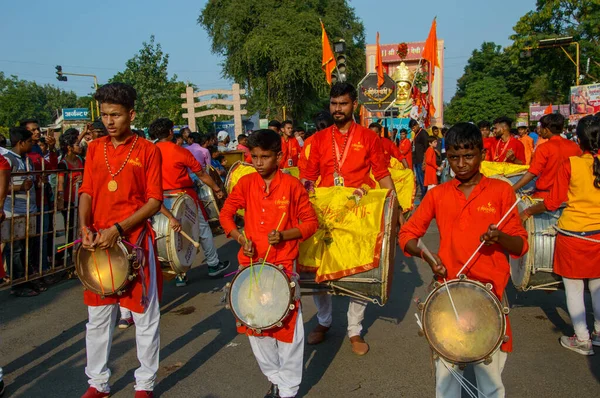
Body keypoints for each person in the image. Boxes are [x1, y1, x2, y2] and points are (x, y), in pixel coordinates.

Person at [399, 122, 528, 398]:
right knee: (446, 379)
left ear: (482, 154)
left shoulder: (501, 191)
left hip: (490, 296)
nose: (461, 164)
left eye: (468, 155)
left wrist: (500, 237)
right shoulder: (438, 194)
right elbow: (407, 235)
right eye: (454, 157)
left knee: (490, 380)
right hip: (449, 297)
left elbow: (520, 245)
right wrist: (427, 256)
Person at [300, 82, 401, 356]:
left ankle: (354, 330)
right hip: (326, 212)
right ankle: (324, 321)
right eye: (333, 104)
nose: (337, 109)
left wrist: (395, 209)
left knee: (359, 267)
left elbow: (381, 174)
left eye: (343, 104)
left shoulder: (369, 138)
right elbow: (308, 177)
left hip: (358, 210)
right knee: (315, 270)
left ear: (353, 105)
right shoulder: (319, 139)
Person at [78, 83, 163, 398]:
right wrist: (84, 227)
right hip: (99, 243)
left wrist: (119, 227)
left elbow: (154, 201)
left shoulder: (148, 150)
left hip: (135, 243)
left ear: (131, 114)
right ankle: (97, 382)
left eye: (115, 114)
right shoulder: (94, 148)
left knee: (144, 316)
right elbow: (86, 191)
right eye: (104, 115)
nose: (109, 121)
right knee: (98, 318)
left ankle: (144, 383)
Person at [220, 129, 319, 398]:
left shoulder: (292, 186)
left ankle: (288, 388)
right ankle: (274, 378)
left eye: (265, 157)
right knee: (256, 326)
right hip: (251, 266)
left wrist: (285, 235)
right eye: (254, 157)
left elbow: (311, 223)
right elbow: (226, 215)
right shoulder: (246, 184)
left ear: (279, 156)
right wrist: (240, 237)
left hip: (283, 265)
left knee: (287, 328)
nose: (259, 162)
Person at [520, 115, 600, 355]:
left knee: (574, 288)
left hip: (573, 235)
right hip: (598, 235)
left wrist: (528, 212)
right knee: (597, 286)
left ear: (580, 139)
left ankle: (582, 339)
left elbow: (554, 201)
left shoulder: (573, 164)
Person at [149, 117, 229, 286]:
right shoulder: (180, 151)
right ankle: (213, 264)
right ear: (170, 132)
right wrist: (216, 188)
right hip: (184, 198)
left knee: (172, 237)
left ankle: (180, 274)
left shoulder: (149, 151)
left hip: (160, 201)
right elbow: (201, 174)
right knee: (202, 229)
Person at [2, 127, 42, 297]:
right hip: (14, 212)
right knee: (16, 249)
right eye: (30, 142)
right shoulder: (8, 160)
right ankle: (18, 284)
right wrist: (19, 187)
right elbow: (2, 185)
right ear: (21, 143)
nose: (32, 145)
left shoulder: (27, 160)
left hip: (29, 210)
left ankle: (27, 279)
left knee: (27, 247)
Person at [512, 113, 582, 200]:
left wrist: (512, 189)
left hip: (546, 196)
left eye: (541, 128)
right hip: (570, 195)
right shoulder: (574, 146)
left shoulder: (544, 148)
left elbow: (532, 173)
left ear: (546, 130)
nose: (539, 130)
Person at [409, 118, 429, 197]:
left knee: (422, 179)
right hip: (416, 160)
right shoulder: (416, 134)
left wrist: (424, 161)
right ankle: (423, 194)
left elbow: (426, 147)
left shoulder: (423, 133)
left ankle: (425, 195)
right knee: (419, 179)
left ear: (417, 125)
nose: (413, 130)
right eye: (412, 129)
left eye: (414, 128)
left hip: (421, 160)